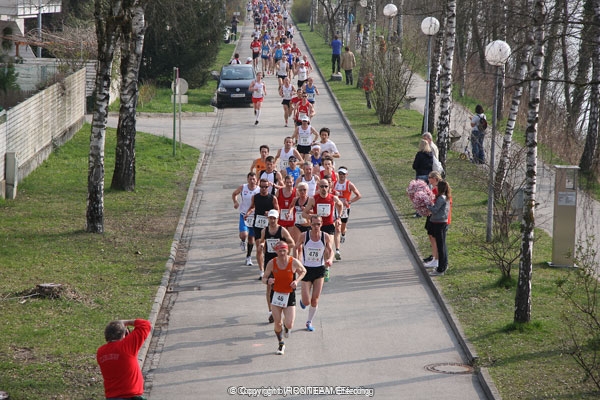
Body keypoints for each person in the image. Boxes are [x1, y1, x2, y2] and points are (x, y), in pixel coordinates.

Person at [263, 241, 306, 355]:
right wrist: (268, 281)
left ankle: (286, 328)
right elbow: (264, 277)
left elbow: (303, 271)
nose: (282, 253)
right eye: (280, 251)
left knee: (290, 324)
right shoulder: (272, 263)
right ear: (276, 251)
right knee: (277, 323)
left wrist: (296, 281)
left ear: (287, 250)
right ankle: (281, 343)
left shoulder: (293, 262)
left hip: (289, 295)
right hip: (276, 295)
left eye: (284, 250)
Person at [295, 216, 334, 331]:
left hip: (319, 269)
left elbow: (330, 251)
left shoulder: (325, 236)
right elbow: (296, 247)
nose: (316, 227)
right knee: (307, 301)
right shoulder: (304, 236)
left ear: (321, 224)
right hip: (306, 269)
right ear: (310, 224)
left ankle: (309, 322)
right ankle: (303, 301)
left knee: (315, 299)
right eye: (313, 224)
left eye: (318, 224)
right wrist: (297, 262)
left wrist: (330, 259)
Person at [97, 319, 152, 400]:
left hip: (111, 396)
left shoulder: (100, 352)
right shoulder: (126, 346)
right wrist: (125, 322)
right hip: (130, 396)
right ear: (123, 334)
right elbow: (145, 324)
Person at [260, 210, 295, 323]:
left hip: (281, 261)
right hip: (269, 261)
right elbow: (262, 241)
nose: (272, 220)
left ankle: (284, 309)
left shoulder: (282, 230)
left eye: (274, 218)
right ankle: (270, 311)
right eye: (270, 218)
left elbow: (292, 243)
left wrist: (282, 247)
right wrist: (262, 245)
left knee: (282, 285)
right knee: (269, 286)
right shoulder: (264, 230)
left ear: (277, 219)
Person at [302, 179, 343, 268]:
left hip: (329, 226)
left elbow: (340, 205)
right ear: (318, 187)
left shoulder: (333, 198)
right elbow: (304, 214)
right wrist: (312, 218)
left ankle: (326, 268)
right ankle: (321, 265)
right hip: (317, 227)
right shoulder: (313, 199)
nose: (324, 188)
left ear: (329, 187)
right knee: (321, 249)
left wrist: (339, 217)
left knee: (328, 248)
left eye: (326, 186)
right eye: (322, 186)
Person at [247, 179, 279, 279]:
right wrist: (248, 213)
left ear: (268, 187)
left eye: (266, 187)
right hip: (258, 225)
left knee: (268, 249)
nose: (264, 189)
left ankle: (270, 267)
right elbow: (252, 207)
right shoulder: (255, 197)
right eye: (262, 187)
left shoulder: (272, 198)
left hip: (269, 226)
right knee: (259, 248)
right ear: (259, 186)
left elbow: (277, 210)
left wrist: (270, 212)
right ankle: (261, 271)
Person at [232, 172, 261, 266]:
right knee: (243, 235)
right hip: (244, 215)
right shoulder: (243, 187)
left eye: (253, 179)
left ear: (256, 180)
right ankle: (242, 241)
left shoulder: (259, 190)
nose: (252, 181)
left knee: (251, 239)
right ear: (247, 180)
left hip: (254, 217)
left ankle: (248, 257)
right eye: (250, 179)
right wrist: (235, 202)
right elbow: (234, 194)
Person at [427, 180, 451, 276]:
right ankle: (444, 265)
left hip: (439, 223)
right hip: (442, 223)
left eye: (437, 186)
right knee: (442, 245)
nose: (435, 187)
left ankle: (441, 268)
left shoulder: (441, 198)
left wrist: (427, 205)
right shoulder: (445, 197)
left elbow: (435, 210)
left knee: (441, 247)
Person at [333, 166, 361, 247]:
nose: (342, 175)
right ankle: (336, 239)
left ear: (346, 174)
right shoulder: (334, 184)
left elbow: (359, 195)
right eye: (340, 173)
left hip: (345, 209)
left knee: (342, 228)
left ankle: (343, 233)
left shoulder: (349, 184)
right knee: (336, 226)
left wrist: (349, 201)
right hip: (336, 207)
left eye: (343, 174)